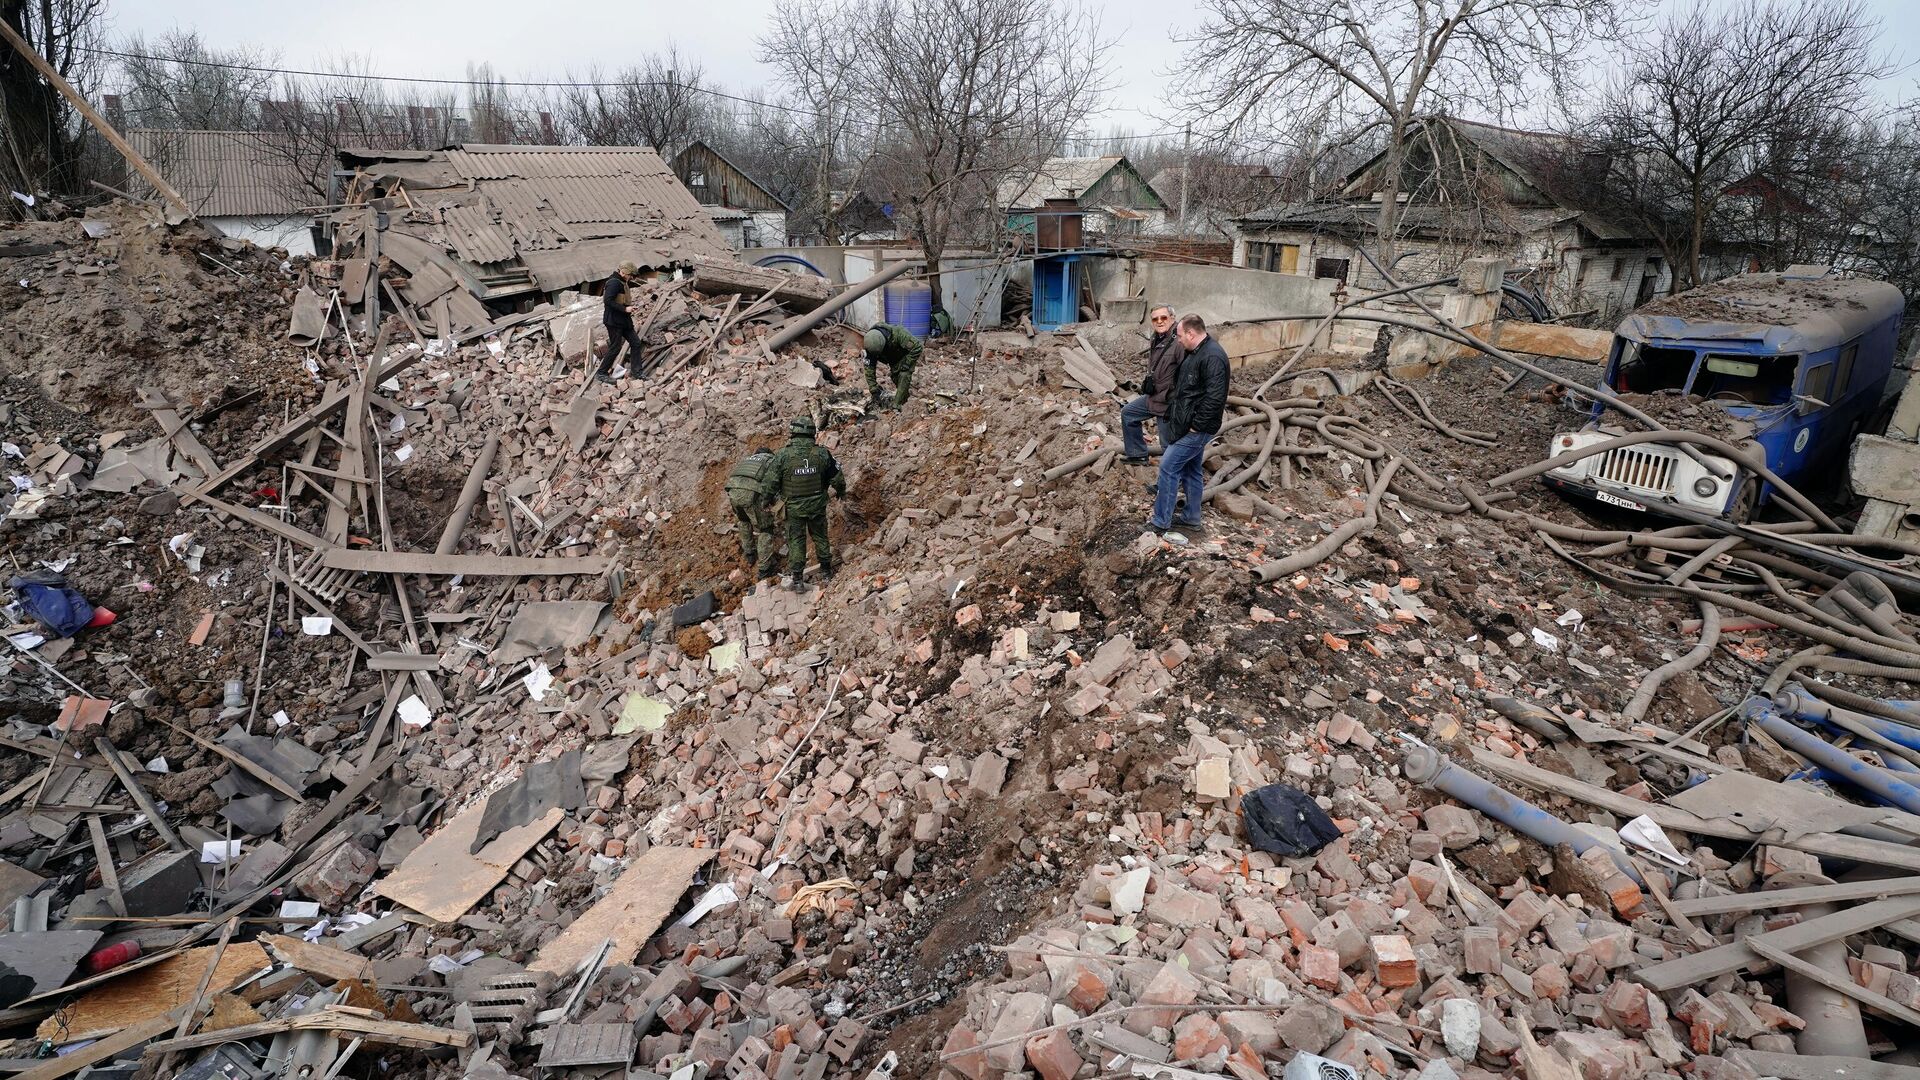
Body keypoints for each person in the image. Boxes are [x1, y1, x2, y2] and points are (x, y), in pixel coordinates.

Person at [1151, 314, 1229, 533]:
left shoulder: (1212, 356)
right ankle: (1191, 518)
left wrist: (1197, 426)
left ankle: (1160, 522)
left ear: (1191, 333)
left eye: (1179, 335)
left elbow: (1215, 398)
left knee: (1168, 467)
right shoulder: (1195, 351)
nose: (1178, 340)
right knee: (1191, 470)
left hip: (1198, 428)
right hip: (1189, 424)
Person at [772, 416, 847, 587]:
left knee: (796, 540)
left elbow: (771, 482)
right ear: (812, 433)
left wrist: (767, 501)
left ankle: (797, 579)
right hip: (817, 506)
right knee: (820, 537)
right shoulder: (822, 453)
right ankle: (827, 572)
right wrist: (841, 492)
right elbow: (837, 478)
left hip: (793, 508)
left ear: (793, 432)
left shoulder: (783, 455)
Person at [1120, 305, 1186, 465]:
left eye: (1163, 317)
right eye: (1155, 319)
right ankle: (1137, 455)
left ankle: (1172, 484)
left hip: (1168, 402)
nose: (1159, 321)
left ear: (1172, 318)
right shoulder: (1156, 338)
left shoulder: (1179, 341)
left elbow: (1187, 375)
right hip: (1154, 396)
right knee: (1128, 413)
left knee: (1168, 446)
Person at [725, 446, 782, 584]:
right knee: (766, 528)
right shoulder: (771, 460)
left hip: (732, 491)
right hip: (752, 493)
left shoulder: (747, 459)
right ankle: (764, 569)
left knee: (744, 521)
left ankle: (749, 553)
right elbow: (776, 483)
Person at [597, 261, 645, 382]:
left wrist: (627, 308)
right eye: (630, 275)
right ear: (623, 273)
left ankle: (637, 372)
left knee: (636, 343)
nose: (631, 278)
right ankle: (601, 373)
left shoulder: (623, 282)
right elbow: (608, 301)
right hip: (613, 321)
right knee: (615, 347)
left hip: (624, 320)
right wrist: (624, 308)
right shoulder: (613, 283)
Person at [861, 323, 923, 411]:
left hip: (905, 356)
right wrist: (873, 388)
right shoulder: (870, 344)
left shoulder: (899, 334)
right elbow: (869, 368)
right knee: (896, 379)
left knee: (904, 376)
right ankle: (904, 400)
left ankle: (896, 406)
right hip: (893, 360)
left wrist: (907, 363)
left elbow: (917, 347)